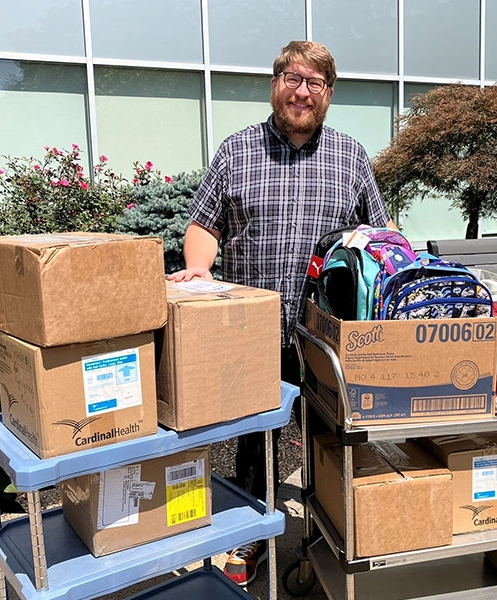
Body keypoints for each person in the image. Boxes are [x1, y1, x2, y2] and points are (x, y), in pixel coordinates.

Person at [167, 40, 396, 586]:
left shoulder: (351, 156)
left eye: (315, 83)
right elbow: (205, 224)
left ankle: (330, 536)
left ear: (328, 93)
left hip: (326, 335)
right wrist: (198, 269)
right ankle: (252, 538)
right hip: (252, 334)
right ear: (275, 84)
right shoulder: (237, 150)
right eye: (293, 78)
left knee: (331, 436)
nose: (302, 91)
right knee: (256, 440)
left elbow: (380, 235)